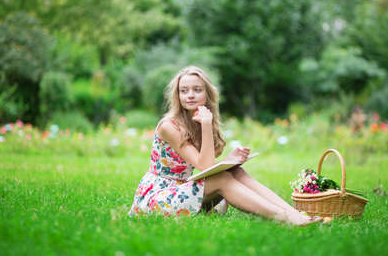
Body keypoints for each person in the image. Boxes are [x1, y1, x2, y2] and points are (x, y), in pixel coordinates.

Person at [129, 66, 322, 225]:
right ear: (177, 95)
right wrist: (205, 124)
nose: (190, 95)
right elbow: (205, 167)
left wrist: (229, 160)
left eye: (197, 90)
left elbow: (205, 164)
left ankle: (295, 213)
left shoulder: (198, 119)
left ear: (207, 94)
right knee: (222, 179)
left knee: (236, 172)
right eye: (184, 90)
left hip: (182, 188)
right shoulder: (168, 126)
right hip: (158, 196)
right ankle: (285, 218)